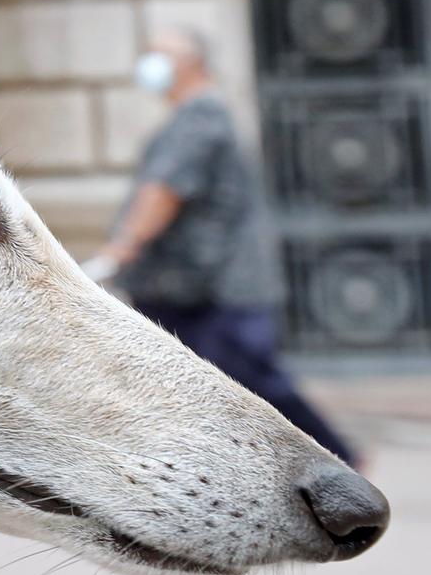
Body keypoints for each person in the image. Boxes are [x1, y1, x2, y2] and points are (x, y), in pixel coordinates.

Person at [89, 28, 361, 466]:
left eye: (161, 56)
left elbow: (164, 190)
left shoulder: (200, 118)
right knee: (202, 383)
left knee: (251, 379)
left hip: (218, 289)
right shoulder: (198, 116)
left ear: (190, 64)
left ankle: (334, 457)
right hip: (199, 286)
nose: (151, 64)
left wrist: (123, 247)